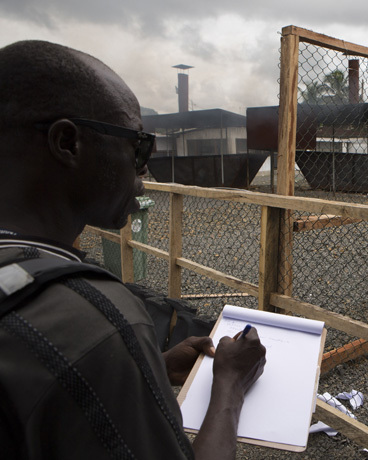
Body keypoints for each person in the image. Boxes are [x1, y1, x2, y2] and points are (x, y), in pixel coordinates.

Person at [0, 40, 266, 459]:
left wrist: (147, 368)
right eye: (137, 145)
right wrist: (229, 385)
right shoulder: (93, 319)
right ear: (67, 143)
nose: (144, 166)